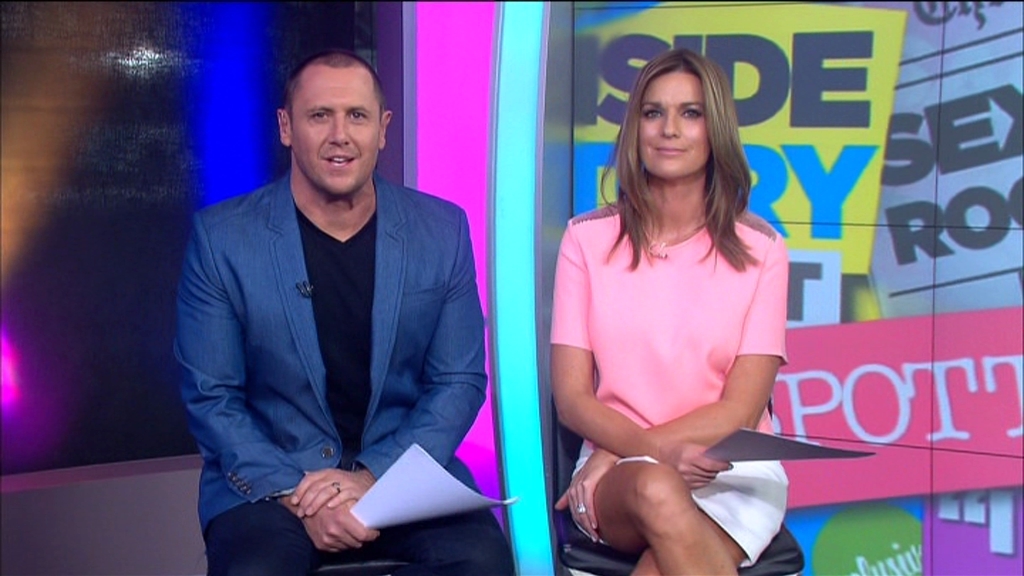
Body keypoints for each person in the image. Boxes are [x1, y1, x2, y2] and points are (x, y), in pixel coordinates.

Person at [174, 48, 515, 576]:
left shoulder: (441, 231)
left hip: (403, 472)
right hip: (275, 483)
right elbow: (212, 395)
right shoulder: (223, 240)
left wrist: (371, 478)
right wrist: (303, 496)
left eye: (357, 116)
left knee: (483, 563)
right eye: (319, 116)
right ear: (286, 127)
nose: (340, 135)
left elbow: (458, 380)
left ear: (383, 129)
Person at [550, 48, 790, 575]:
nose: (669, 129)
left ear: (715, 129)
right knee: (657, 486)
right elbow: (572, 399)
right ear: (635, 128)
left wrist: (645, 448)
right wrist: (641, 453)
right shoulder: (586, 240)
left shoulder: (763, 250)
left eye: (691, 113)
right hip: (620, 471)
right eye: (653, 112)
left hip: (730, 466)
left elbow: (741, 410)